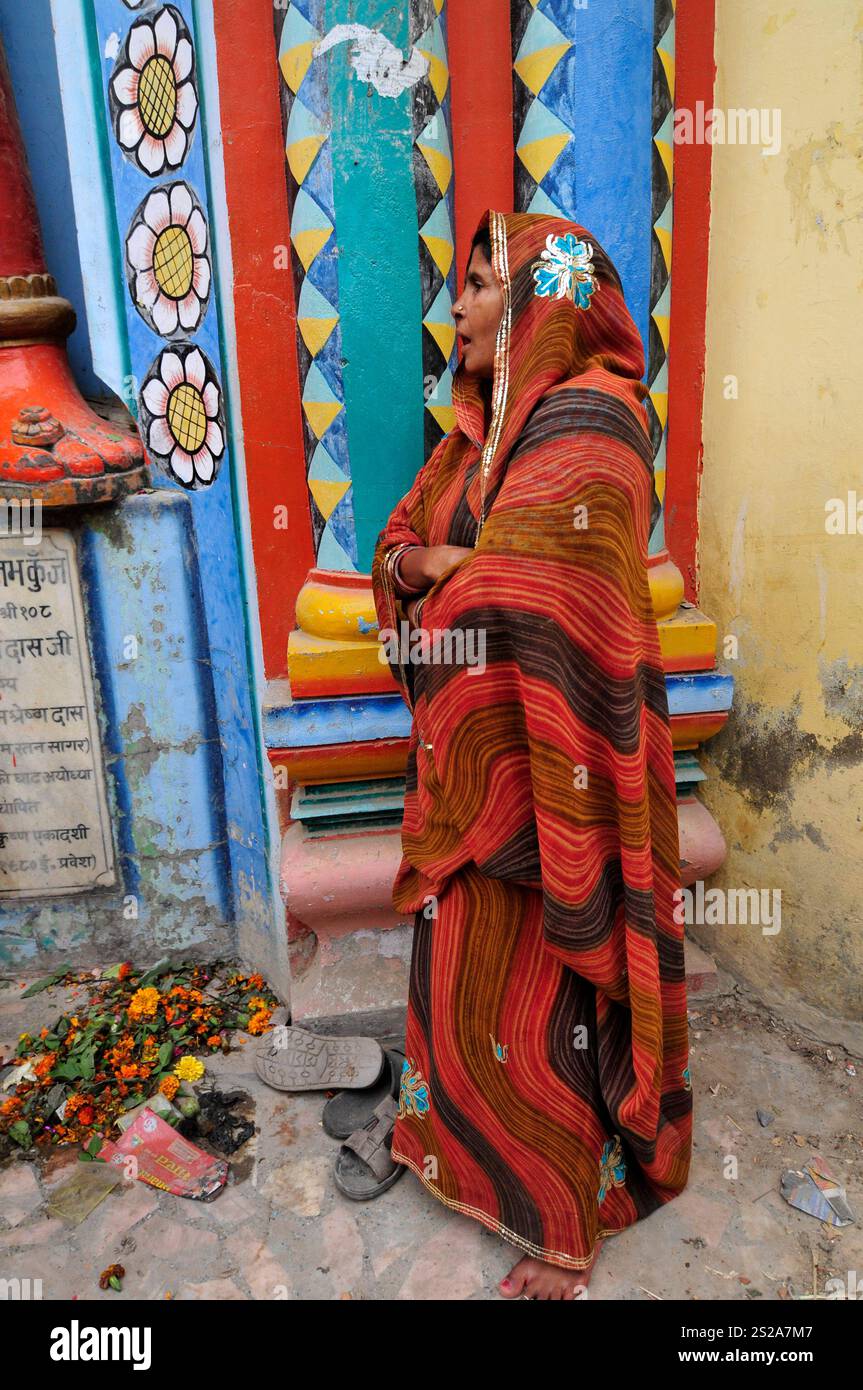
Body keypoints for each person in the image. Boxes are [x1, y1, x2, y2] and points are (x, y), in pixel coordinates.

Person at [371, 210, 691, 1301]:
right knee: (461, 982)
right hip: (472, 765)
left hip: (563, 772)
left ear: (536, 304)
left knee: (544, 998)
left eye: (472, 286)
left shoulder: (597, 424)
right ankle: (453, 1151)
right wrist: (434, 562)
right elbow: (398, 547)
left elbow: (535, 591)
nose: (451, 307)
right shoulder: (477, 438)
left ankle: (560, 1224)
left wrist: (450, 567)